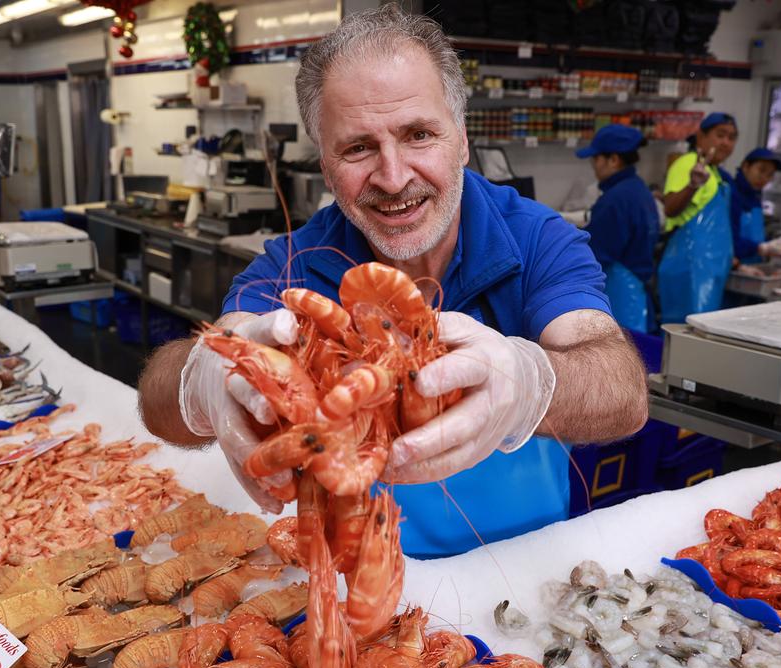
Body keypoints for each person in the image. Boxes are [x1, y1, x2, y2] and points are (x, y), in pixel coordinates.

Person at [138, 5, 648, 557]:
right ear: (326, 167)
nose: (394, 176)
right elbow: (160, 400)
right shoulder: (294, 264)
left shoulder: (536, 237)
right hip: (350, 575)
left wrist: (531, 381)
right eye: (358, 147)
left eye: (419, 134)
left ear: (461, 138)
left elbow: (623, 391)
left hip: (523, 566)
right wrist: (201, 378)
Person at [656, 112, 739, 323]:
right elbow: (671, 208)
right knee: (688, 336)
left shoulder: (716, 172)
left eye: (732, 137)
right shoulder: (688, 163)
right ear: (701, 136)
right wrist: (692, 185)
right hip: (690, 267)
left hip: (711, 269)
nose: (726, 143)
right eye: (720, 135)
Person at [576, 124, 659, 333]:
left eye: (596, 159)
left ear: (613, 160)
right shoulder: (637, 188)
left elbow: (595, 256)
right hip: (636, 293)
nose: (593, 165)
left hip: (621, 296)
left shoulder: (616, 199)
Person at [730, 147, 781, 265]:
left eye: (770, 175)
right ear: (746, 166)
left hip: (753, 266)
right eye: (761, 170)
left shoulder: (756, 197)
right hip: (734, 268)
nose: (765, 178)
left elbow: (755, 236)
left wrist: (771, 246)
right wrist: (760, 248)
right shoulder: (731, 194)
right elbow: (729, 241)